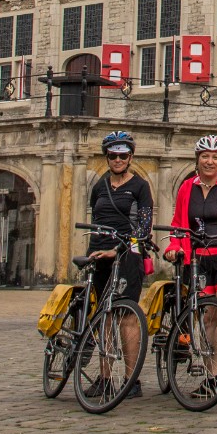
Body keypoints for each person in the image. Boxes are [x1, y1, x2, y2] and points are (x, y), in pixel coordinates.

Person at [163, 135, 217, 393]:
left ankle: (215, 376)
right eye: (205, 157)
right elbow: (179, 223)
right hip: (198, 259)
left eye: (215, 157)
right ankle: (210, 367)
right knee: (209, 317)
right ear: (197, 160)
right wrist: (174, 246)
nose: (210, 161)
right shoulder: (186, 188)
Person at [90, 131, 154, 398]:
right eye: (113, 155)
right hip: (98, 253)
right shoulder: (99, 186)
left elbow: (143, 224)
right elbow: (94, 216)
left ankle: (131, 379)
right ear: (107, 157)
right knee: (104, 315)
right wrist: (98, 250)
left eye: (123, 155)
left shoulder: (140, 187)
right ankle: (105, 377)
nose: (118, 160)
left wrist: (117, 250)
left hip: (128, 254)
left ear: (130, 157)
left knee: (126, 315)